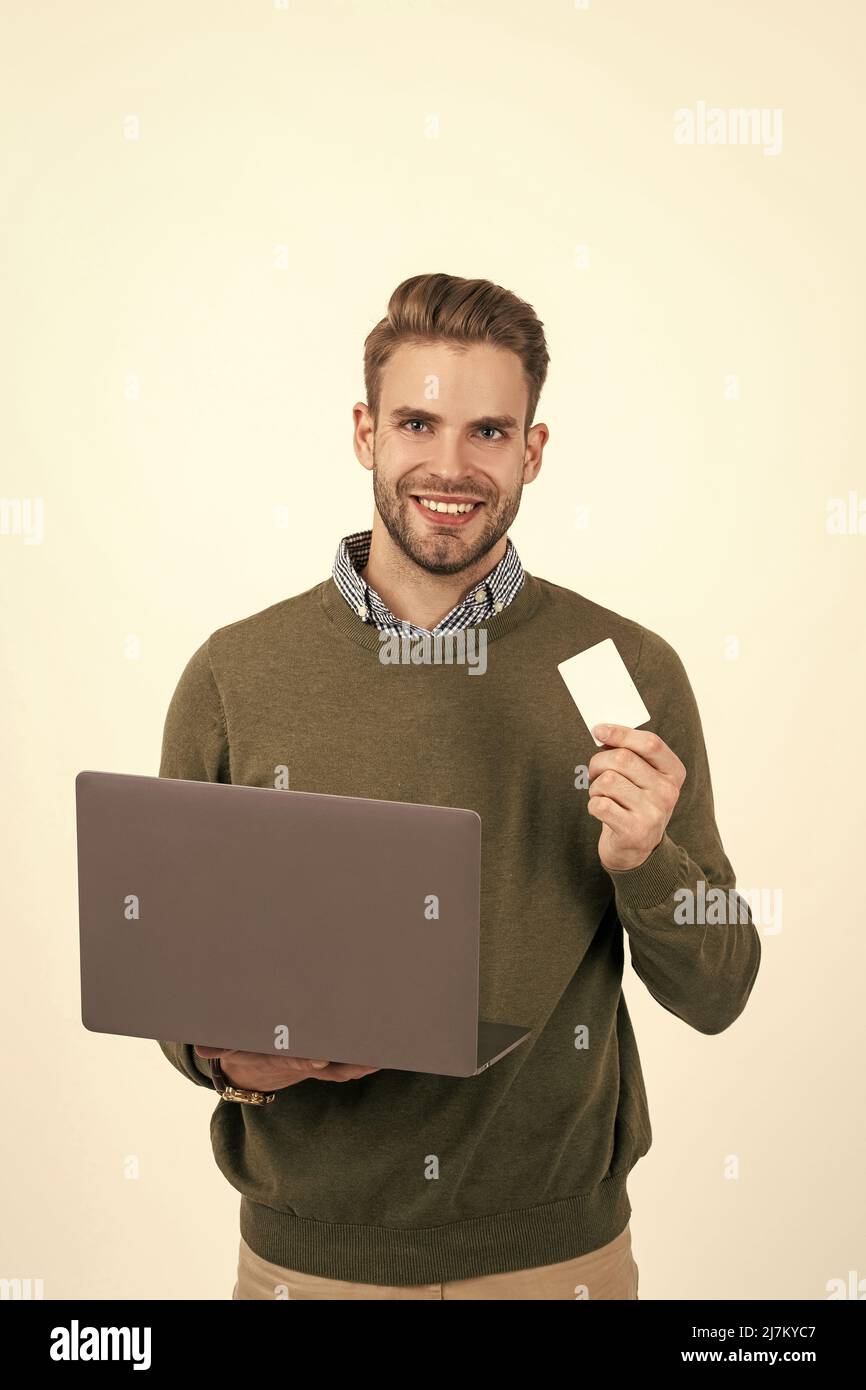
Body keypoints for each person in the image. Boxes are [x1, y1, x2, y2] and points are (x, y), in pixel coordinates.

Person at [159, 271, 761, 1300]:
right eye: (416, 423)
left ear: (530, 450)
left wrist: (643, 864)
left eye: (487, 431)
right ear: (364, 432)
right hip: (311, 1265)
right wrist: (244, 1060)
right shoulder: (233, 673)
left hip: (554, 1262)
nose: (449, 465)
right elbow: (173, 987)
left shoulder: (626, 670)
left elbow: (718, 989)